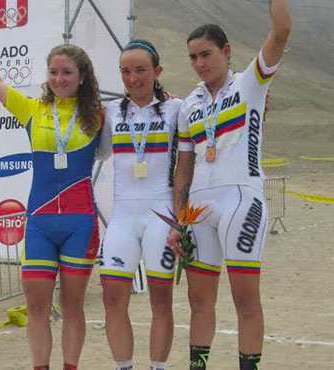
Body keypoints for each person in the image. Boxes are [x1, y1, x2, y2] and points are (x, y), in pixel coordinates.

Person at [0, 14, 102, 370]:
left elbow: (143, 112)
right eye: (54, 72)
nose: (59, 79)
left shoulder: (100, 116)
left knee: (73, 306)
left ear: (82, 76)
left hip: (80, 224)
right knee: (37, 306)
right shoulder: (33, 109)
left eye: (67, 73)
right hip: (39, 224)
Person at [167, 1, 291, 369]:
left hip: (242, 199)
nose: (199, 63)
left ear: (226, 51)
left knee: (244, 300)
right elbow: (183, 171)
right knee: (199, 302)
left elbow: (281, 32)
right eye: (192, 57)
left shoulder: (251, 83)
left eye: (205, 54)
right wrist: (178, 220)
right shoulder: (190, 104)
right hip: (198, 208)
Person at [97, 39, 182, 370]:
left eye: (141, 70)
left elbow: (193, 159)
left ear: (157, 71)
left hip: (161, 217)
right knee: (112, 299)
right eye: (126, 72)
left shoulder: (178, 109)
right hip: (122, 218)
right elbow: (100, 152)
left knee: (161, 301)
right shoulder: (112, 113)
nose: (133, 78)